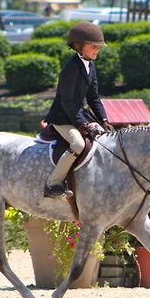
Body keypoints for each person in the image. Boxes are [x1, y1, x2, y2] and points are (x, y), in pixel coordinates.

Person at [43, 21, 115, 199]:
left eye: (98, 47)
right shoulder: (71, 68)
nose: (97, 50)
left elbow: (94, 98)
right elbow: (67, 101)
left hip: (77, 114)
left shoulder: (90, 66)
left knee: (105, 138)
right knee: (78, 144)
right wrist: (83, 124)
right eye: (93, 47)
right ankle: (52, 184)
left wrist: (104, 120)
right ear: (79, 46)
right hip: (62, 117)